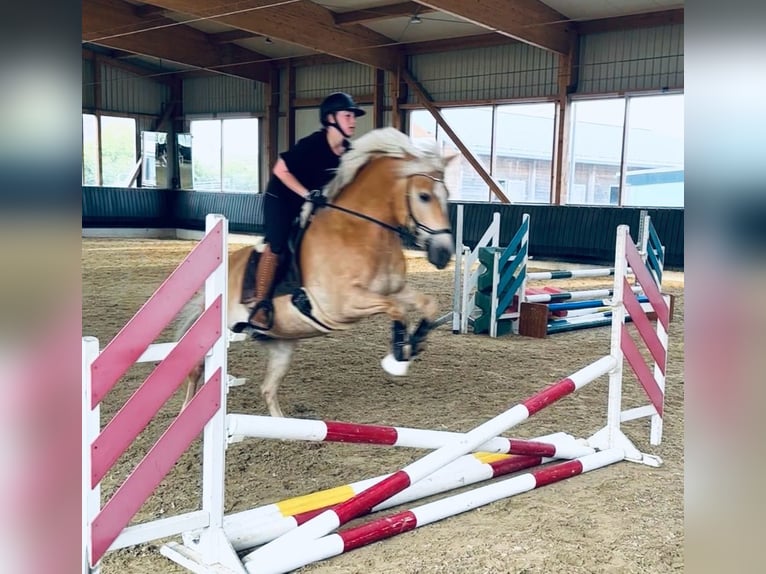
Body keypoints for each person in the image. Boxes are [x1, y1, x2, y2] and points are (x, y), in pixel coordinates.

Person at [248, 92, 366, 330]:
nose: (353, 120)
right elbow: (280, 170)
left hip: (311, 201)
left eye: (353, 116)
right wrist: (307, 195)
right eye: (347, 115)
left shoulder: (348, 152)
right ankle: (260, 306)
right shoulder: (313, 144)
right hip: (281, 197)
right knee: (278, 242)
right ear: (331, 118)